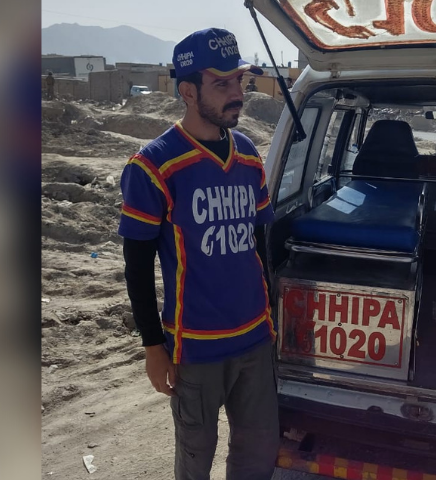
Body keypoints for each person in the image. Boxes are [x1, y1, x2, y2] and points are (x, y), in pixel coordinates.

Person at [117, 28, 278, 480]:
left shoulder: (248, 155)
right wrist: (153, 347)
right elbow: (137, 267)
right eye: (222, 84)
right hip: (196, 348)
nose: (237, 94)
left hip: (254, 338)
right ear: (188, 91)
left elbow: (260, 244)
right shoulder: (154, 165)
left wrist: (272, 318)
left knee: (257, 454)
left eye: (240, 81)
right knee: (195, 460)